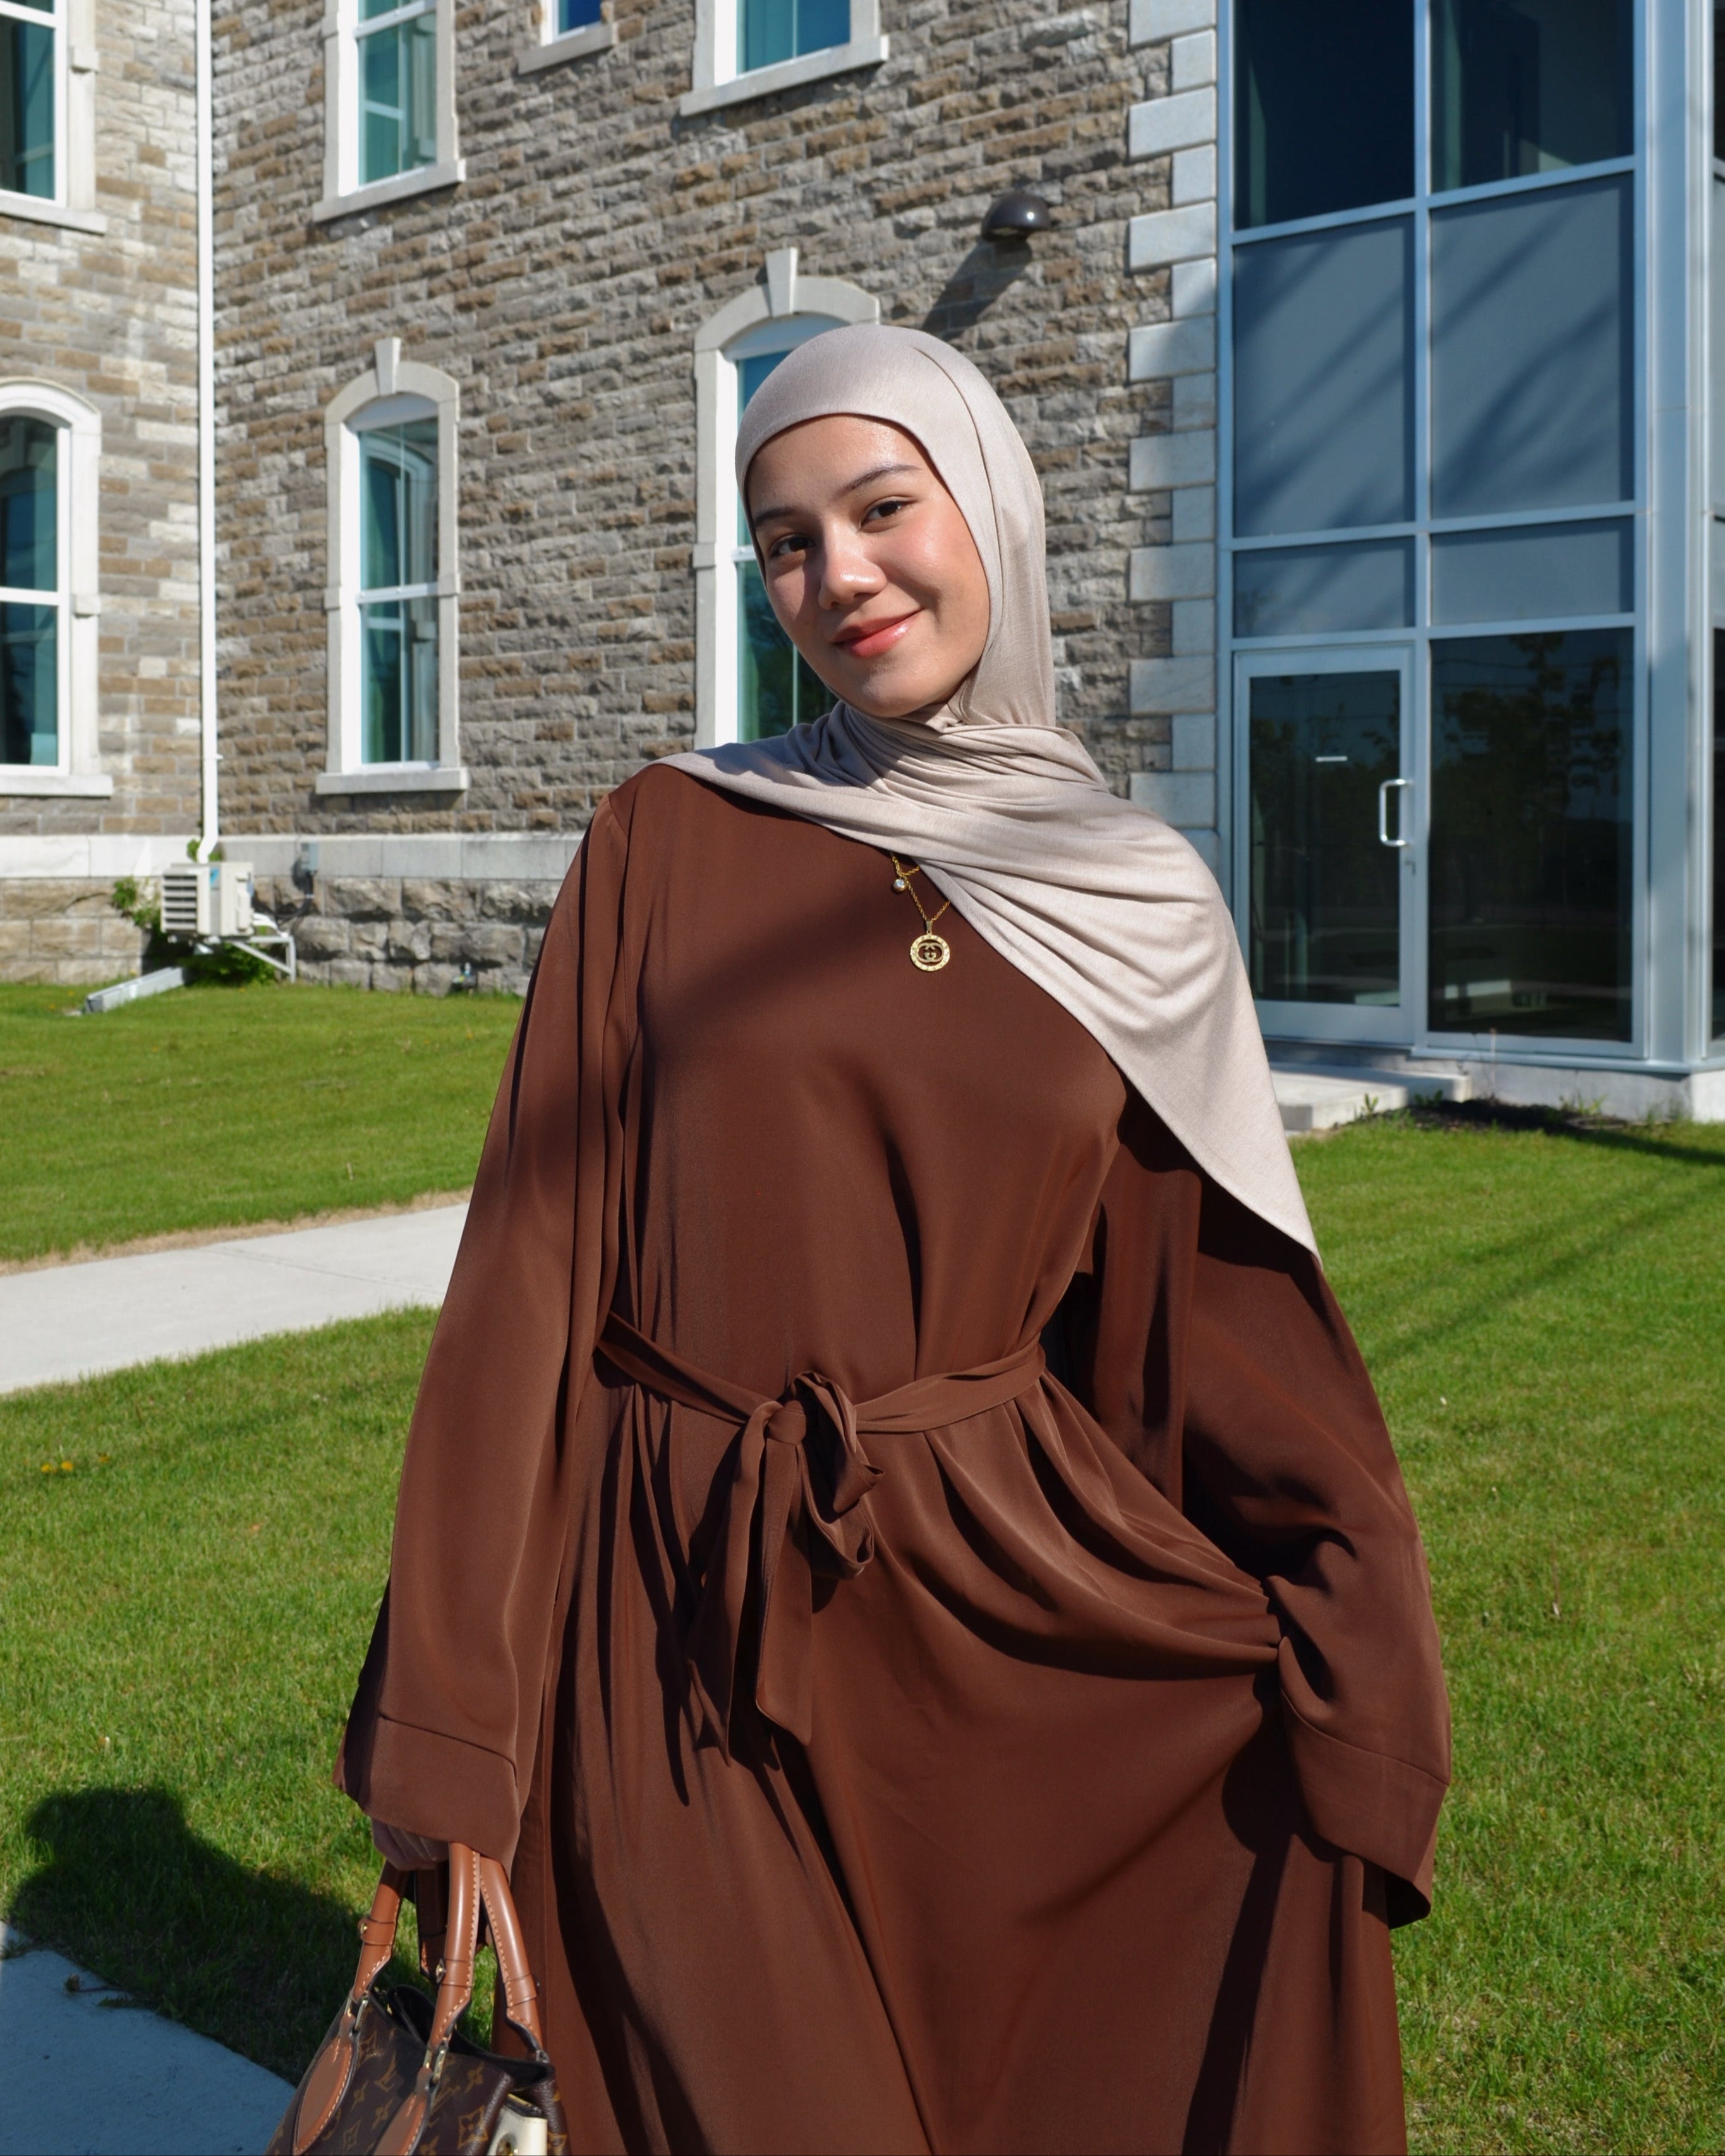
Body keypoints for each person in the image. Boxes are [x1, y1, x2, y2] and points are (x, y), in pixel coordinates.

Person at [341, 323, 1450, 2155]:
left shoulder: (1130, 897)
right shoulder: (667, 839)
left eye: (877, 508)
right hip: (669, 1612)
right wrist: (454, 1714)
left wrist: (1355, 1679)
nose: (836, 574)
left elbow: (1204, 1338)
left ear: (988, 515)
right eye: (784, 540)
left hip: (994, 1631)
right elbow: (525, 1283)